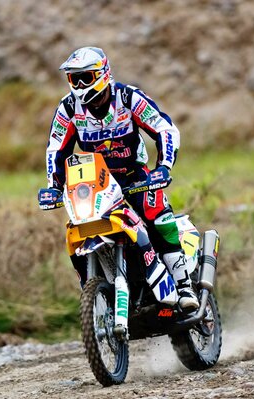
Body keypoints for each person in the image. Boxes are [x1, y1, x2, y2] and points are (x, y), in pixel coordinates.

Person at [44, 46, 198, 311]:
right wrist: (53, 187)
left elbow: (164, 128)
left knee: (156, 215)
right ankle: (101, 293)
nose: (79, 85)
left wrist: (164, 167)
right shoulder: (69, 108)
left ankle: (183, 286)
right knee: (80, 226)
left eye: (86, 77)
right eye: (73, 79)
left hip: (134, 176)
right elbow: (56, 147)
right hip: (96, 183)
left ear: (103, 74)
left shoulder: (128, 98)